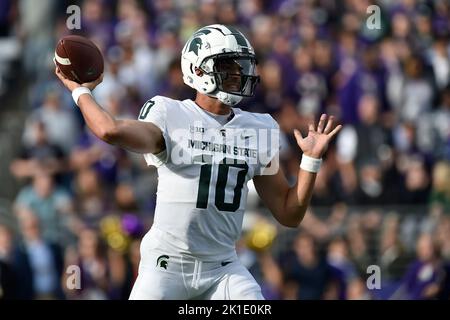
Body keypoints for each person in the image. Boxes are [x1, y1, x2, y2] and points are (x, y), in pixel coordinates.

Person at [54, 24, 342, 300]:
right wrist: (80, 91)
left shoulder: (258, 128)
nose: (237, 73)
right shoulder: (170, 114)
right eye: (227, 65)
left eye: (239, 65)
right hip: (166, 266)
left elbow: (289, 214)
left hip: (223, 268)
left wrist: (310, 161)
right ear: (197, 68)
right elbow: (109, 130)